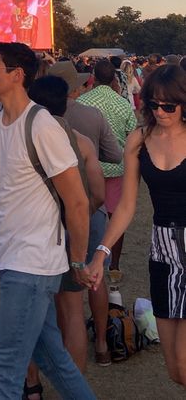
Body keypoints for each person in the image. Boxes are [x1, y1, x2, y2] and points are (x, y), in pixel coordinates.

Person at [0, 42, 96, 400]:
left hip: (35, 261)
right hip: (12, 260)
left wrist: (77, 259)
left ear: (18, 75)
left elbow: (77, 201)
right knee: (53, 359)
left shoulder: (41, 125)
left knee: (6, 370)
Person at [88, 64, 186, 387]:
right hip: (162, 254)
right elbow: (127, 205)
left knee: (185, 361)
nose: (160, 112)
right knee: (174, 369)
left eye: (168, 105)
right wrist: (102, 253)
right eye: (153, 105)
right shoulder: (138, 140)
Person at [24, 76, 105, 395]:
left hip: (36, 236)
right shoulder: (81, 140)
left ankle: (31, 385)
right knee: (72, 310)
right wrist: (78, 214)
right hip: (72, 234)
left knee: (33, 314)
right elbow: (97, 194)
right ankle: (74, 386)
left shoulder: (25, 138)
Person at [48, 59, 123, 370]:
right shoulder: (92, 115)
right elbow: (115, 155)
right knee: (95, 276)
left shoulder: (38, 119)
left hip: (53, 212)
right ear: (75, 88)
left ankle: (62, 349)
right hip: (91, 206)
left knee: (62, 291)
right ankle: (103, 345)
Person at [77, 59, 137, 279]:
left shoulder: (82, 101)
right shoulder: (122, 104)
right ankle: (114, 265)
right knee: (116, 217)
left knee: (86, 215)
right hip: (116, 169)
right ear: (114, 78)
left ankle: (81, 258)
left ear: (93, 76)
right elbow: (132, 135)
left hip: (88, 170)